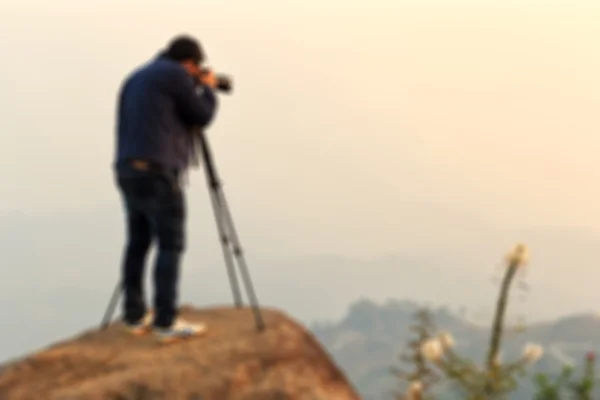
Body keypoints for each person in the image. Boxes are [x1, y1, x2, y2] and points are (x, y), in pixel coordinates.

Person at [113, 35, 219, 342]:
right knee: (170, 244)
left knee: (138, 242)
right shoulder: (175, 75)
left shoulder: (138, 76)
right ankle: (165, 321)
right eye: (197, 70)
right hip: (159, 172)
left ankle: (134, 315)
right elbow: (201, 115)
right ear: (190, 64)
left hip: (127, 170)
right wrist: (208, 89)